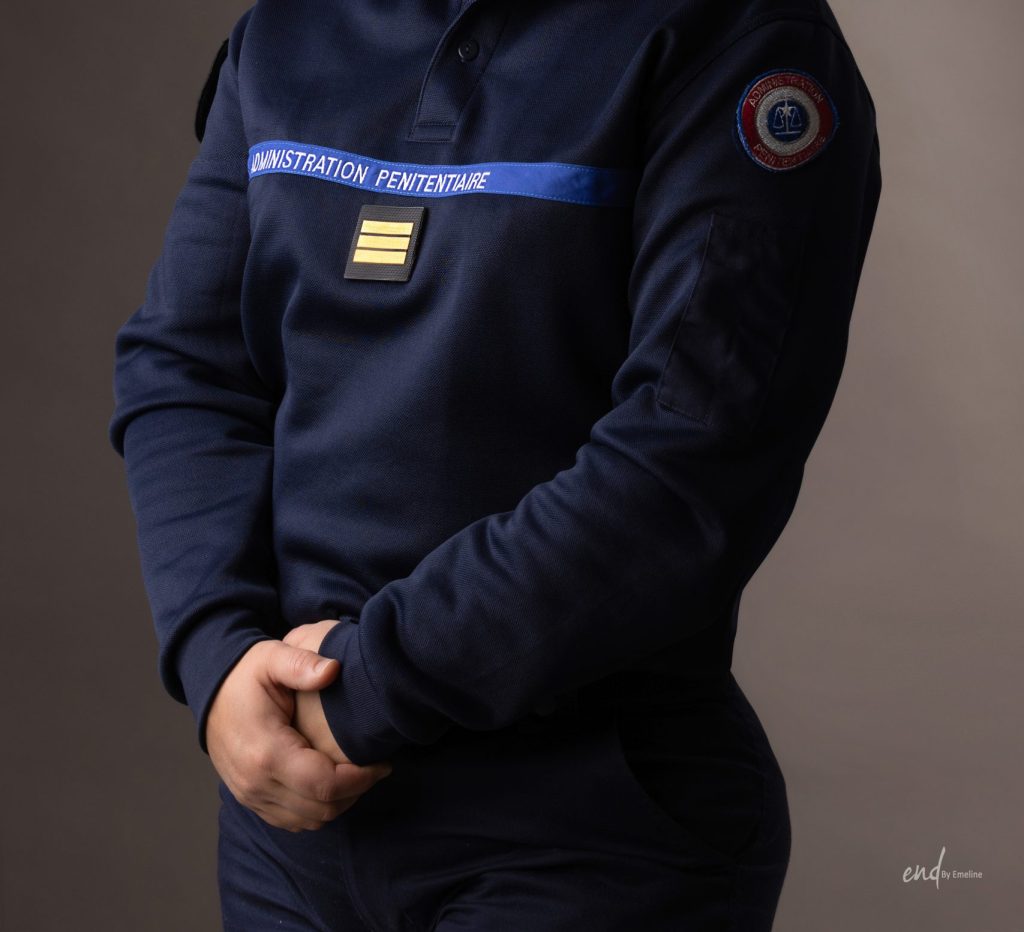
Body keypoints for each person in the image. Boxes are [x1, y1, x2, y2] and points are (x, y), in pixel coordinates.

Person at [107, 0, 881, 928]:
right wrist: (218, 656)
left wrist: (370, 684)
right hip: (291, 831)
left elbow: (693, 459)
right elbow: (186, 366)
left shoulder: (741, 37)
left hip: (587, 828)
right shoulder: (285, 30)